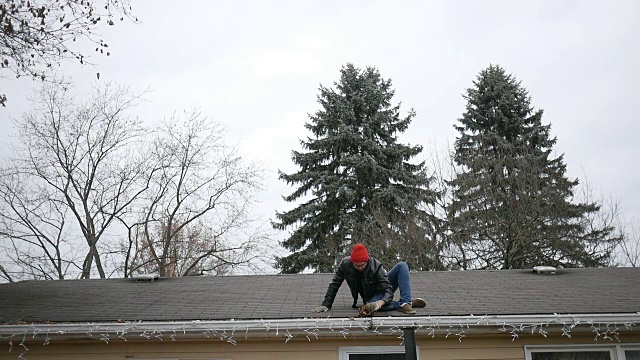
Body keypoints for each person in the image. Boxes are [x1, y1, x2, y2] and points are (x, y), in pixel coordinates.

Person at [312, 243, 426, 315]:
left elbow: (388, 289)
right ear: (352, 263)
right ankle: (403, 304)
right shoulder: (345, 265)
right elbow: (334, 283)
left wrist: (380, 303)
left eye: (363, 265)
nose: (360, 268)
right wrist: (326, 304)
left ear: (367, 260)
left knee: (402, 265)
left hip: (384, 288)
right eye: (357, 266)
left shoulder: (376, 265)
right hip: (371, 297)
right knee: (369, 307)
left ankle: (405, 302)